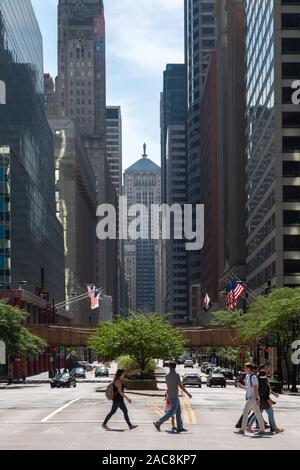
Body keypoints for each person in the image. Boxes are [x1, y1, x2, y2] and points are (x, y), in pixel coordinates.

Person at [153, 361, 192, 433]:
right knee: (171, 412)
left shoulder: (167, 376)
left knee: (178, 412)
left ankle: (180, 427)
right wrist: (188, 393)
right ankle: (158, 422)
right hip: (174, 396)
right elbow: (180, 386)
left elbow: (168, 387)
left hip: (171, 396)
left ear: (169, 367)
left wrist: (167, 396)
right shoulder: (176, 375)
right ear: (175, 367)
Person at [247, 370, 284, 434]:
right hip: (265, 402)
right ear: (265, 375)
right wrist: (270, 401)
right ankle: (275, 428)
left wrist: (273, 395)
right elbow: (266, 394)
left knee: (257, 414)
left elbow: (265, 391)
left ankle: (249, 426)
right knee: (270, 415)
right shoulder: (265, 382)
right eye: (267, 374)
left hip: (260, 400)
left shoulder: (258, 381)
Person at [235, 363, 265, 436]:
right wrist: (242, 386)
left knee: (245, 412)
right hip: (251, 397)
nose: (244, 369)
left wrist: (257, 398)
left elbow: (255, 388)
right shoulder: (248, 376)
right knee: (258, 414)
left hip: (253, 398)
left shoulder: (253, 377)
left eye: (245, 368)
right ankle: (262, 429)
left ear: (248, 368)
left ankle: (242, 429)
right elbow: (249, 388)